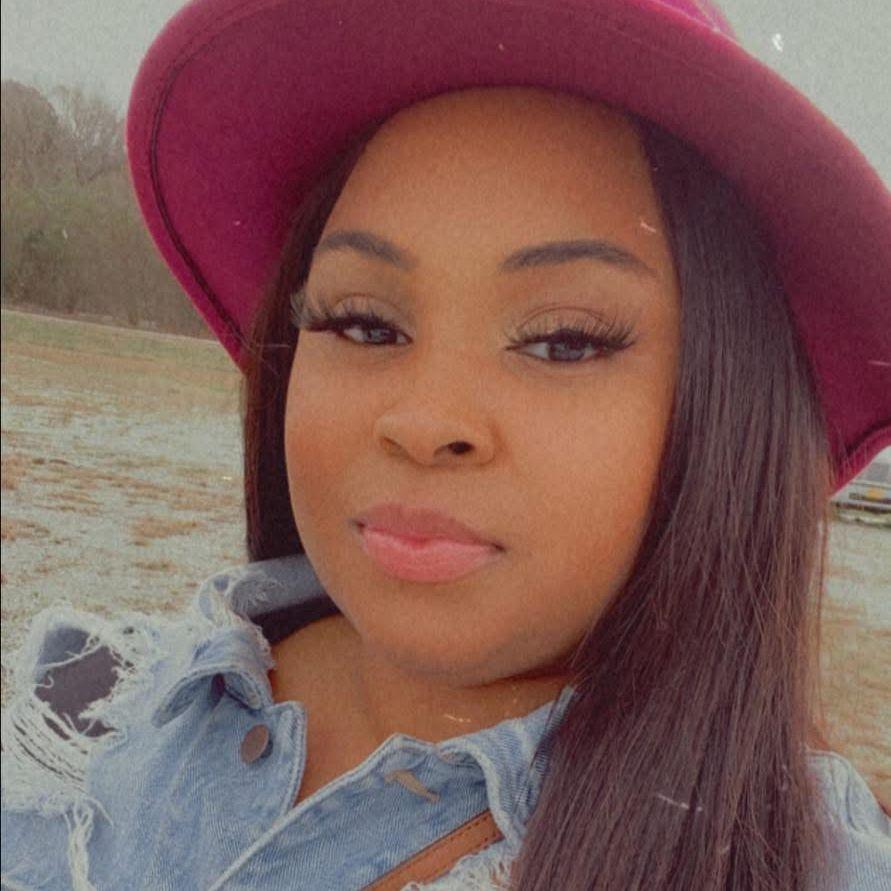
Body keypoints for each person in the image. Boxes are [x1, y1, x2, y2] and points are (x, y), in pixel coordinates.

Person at [2, 0, 890, 888]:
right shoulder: (82, 704)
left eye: (563, 341)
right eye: (363, 322)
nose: (424, 422)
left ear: (727, 406)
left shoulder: (808, 866)